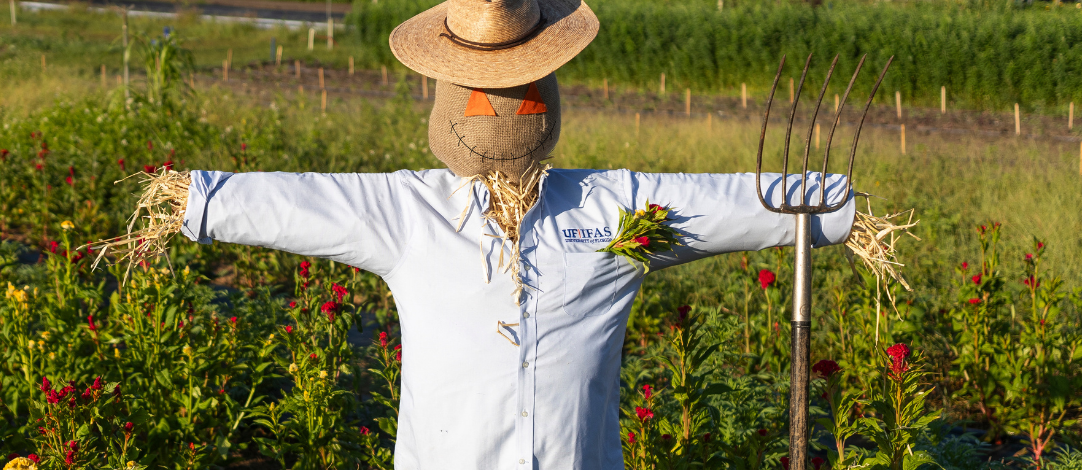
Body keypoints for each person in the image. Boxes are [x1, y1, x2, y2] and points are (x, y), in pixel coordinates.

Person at [105, 0, 854, 467]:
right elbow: (305, 202)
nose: (500, 110)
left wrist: (833, 206)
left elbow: (729, 200)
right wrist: (194, 200)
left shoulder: (617, 209)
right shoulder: (407, 213)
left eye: (518, 89)